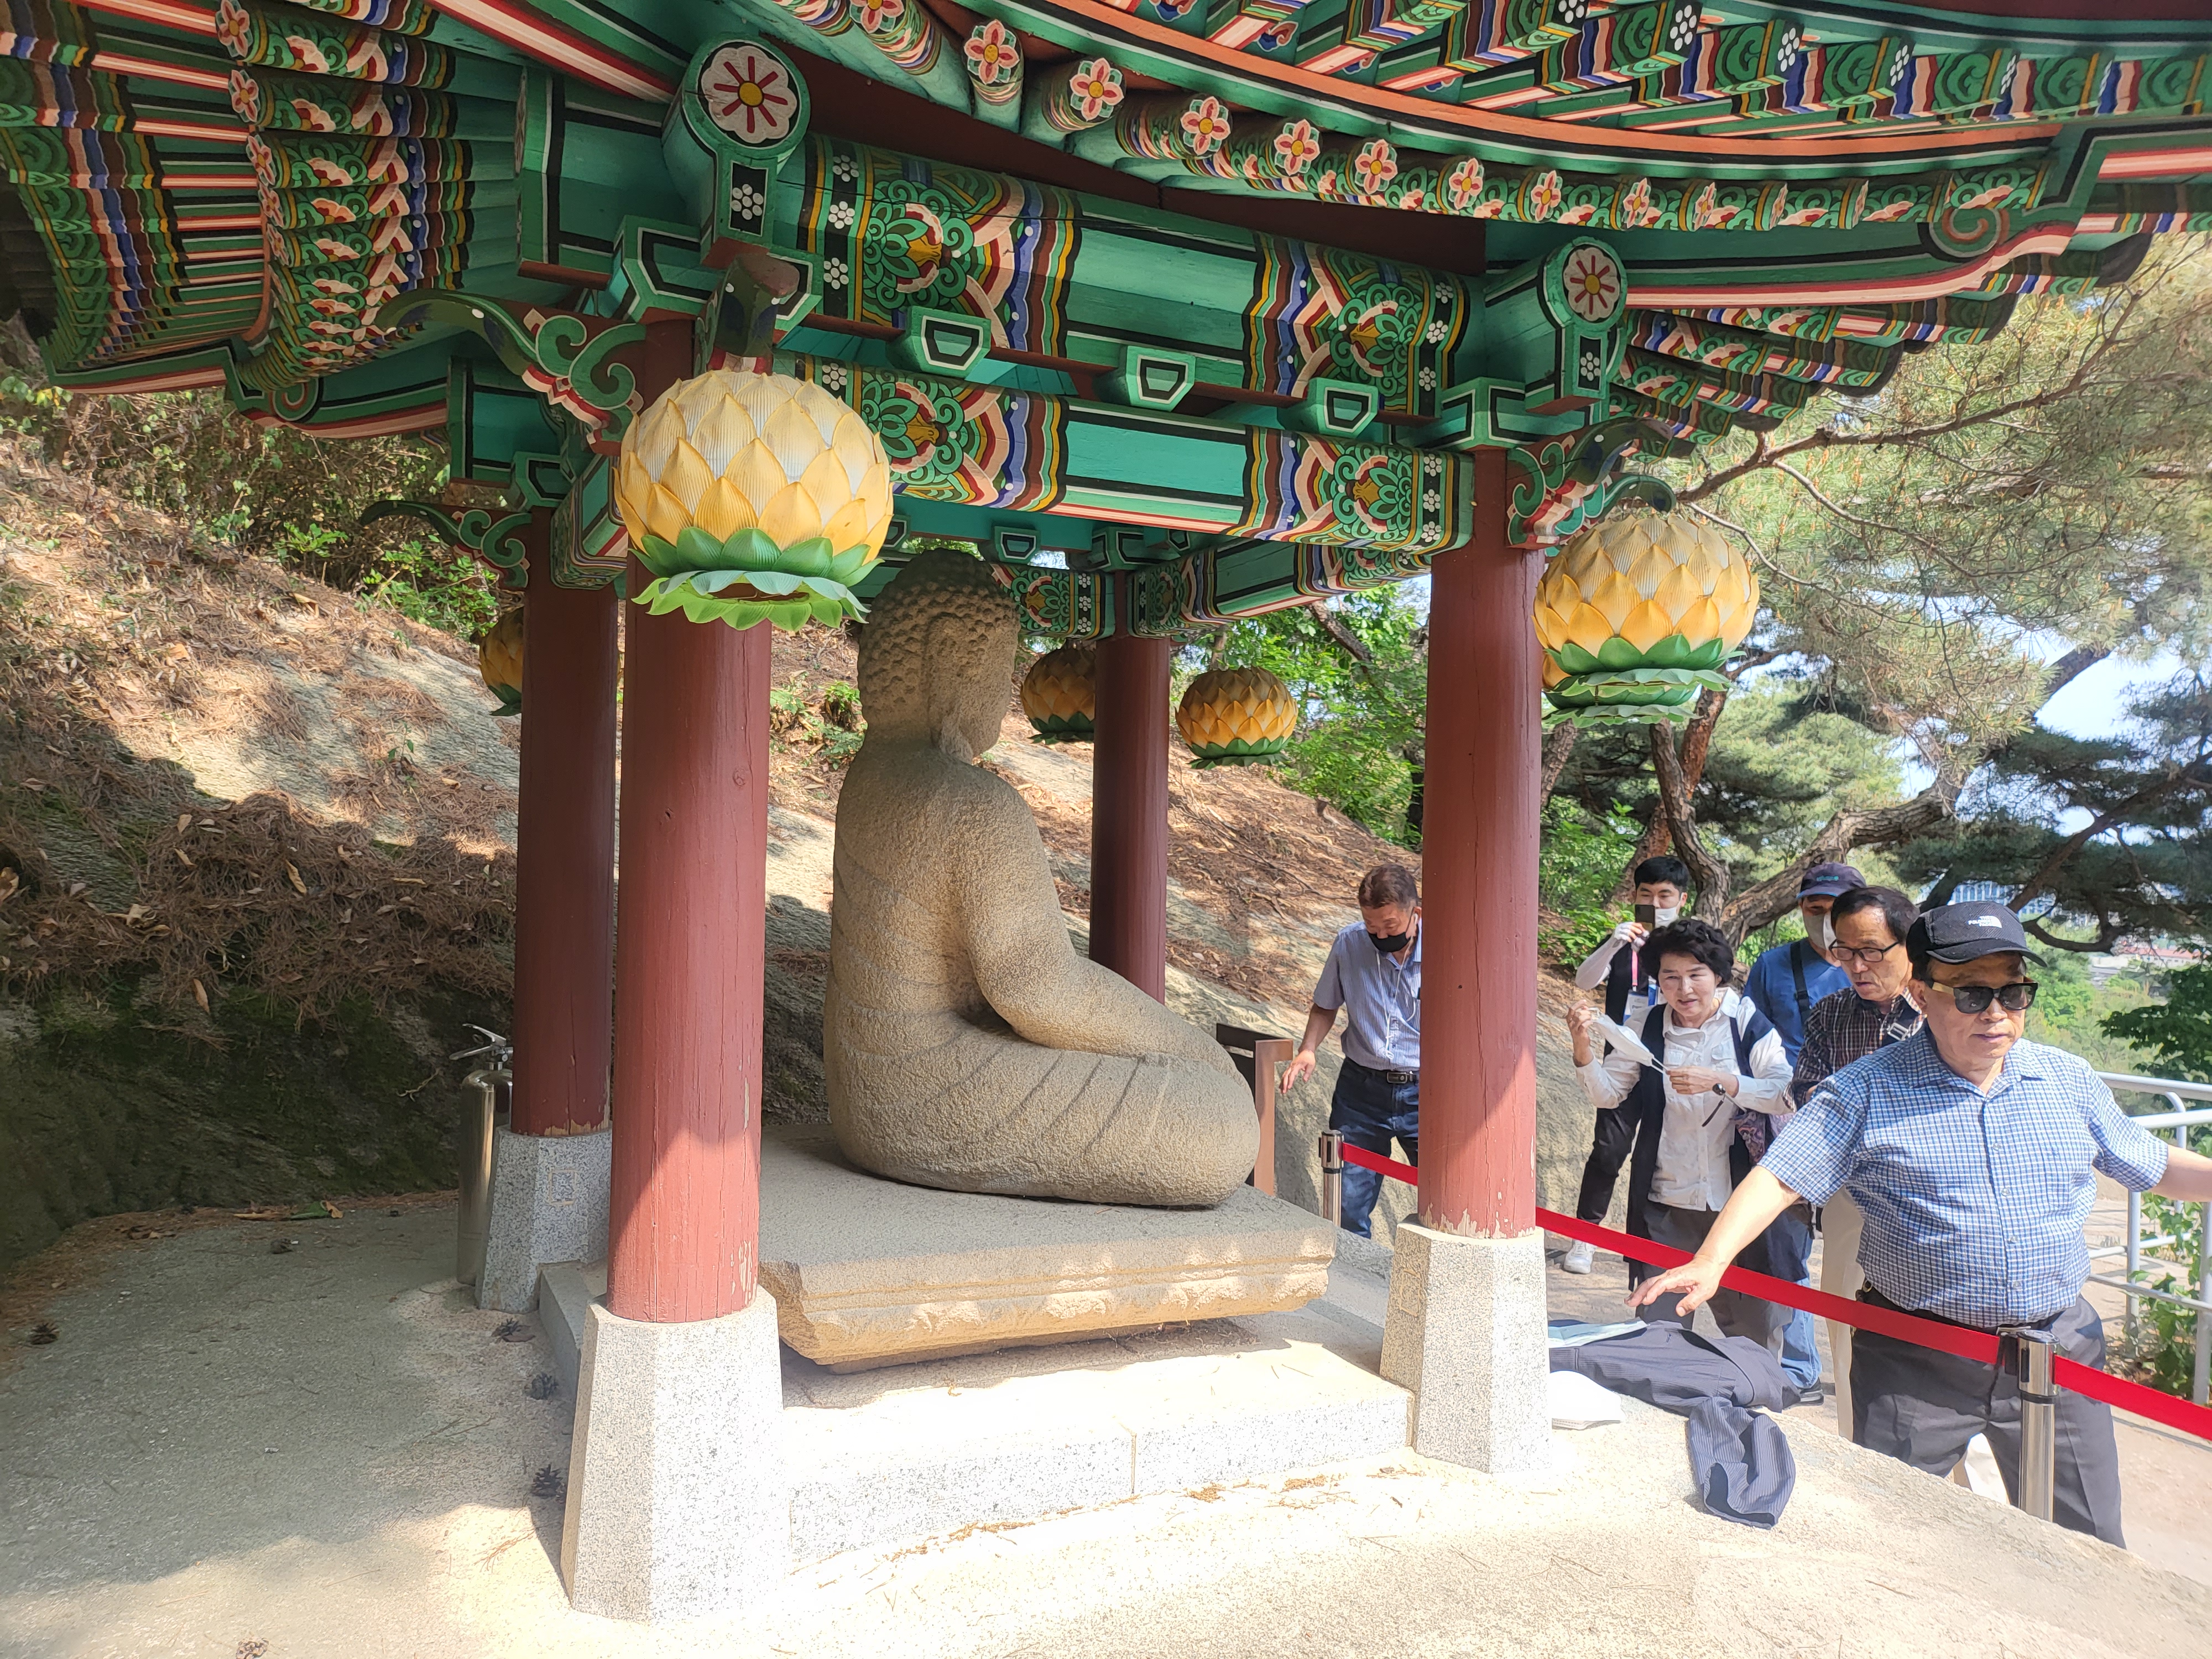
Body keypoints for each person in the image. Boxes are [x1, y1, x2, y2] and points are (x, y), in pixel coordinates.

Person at [1628, 900, 2212, 1545]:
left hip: (2057, 1350)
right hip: (1916, 1356)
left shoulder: (2066, 1080)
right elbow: (1782, 1174)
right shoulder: (1865, 1089)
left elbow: (2152, 1162)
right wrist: (1712, 1260)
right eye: (1971, 994)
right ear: (1922, 994)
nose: (1995, 1013)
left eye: (2013, 993)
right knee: (1894, 1538)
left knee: (2089, 1539)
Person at [1566, 918, 1798, 1358]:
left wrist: (1723, 1081)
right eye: (1671, 977)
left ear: (1718, 975)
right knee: (1658, 1336)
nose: (1684, 989)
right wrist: (1582, 1046)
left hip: (1739, 1207)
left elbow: (1784, 1093)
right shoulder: (1647, 1023)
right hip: (1666, 1200)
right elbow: (1608, 1094)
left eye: (1696, 974)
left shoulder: (1745, 1021)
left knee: (1755, 1339)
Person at [1792, 884, 1924, 1431]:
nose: (1856, 966)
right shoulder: (1831, 1013)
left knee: (1943, 1349)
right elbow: (1804, 1089)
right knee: (1847, 1329)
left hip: (1932, 1196)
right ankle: (1861, 1450)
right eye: (1844, 952)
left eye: (1871, 951)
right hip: (1853, 1194)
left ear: (1909, 944)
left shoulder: (1944, 1008)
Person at [1739, 860, 1861, 1397]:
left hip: (1862, 1134)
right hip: (1788, 1127)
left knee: (1859, 1261)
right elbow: (1746, 1039)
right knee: (1786, 1252)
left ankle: (1866, 1372)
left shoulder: (1879, 967)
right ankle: (1798, 1369)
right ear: (1801, 909)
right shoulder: (1772, 966)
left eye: (1837, 909)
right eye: (1815, 908)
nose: (1825, 919)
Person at [1560, 855, 1691, 1275]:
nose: (1655, 903)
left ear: (1681, 900)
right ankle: (1585, 1237)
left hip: (1669, 1062)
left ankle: (1644, 1246)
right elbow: (1584, 981)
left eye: (1665, 895)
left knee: (1657, 1154)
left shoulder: (1687, 945)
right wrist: (1614, 943)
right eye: (1646, 895)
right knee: (1608, 1150)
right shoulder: (1622, 941)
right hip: (1620, 1061)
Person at [1282, 864, 1421, 1239]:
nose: (1381, 935)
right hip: (1362, 1089)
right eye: (1372, 926)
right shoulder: (1349, 943)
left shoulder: (1445, 952)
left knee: (1447, 1197)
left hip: (1427, 1091)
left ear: (1416, 913)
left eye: (1390, 926)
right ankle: (1355, 1272)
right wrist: (1308, 1049)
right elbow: (1325, 1005)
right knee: (1346, 1204)